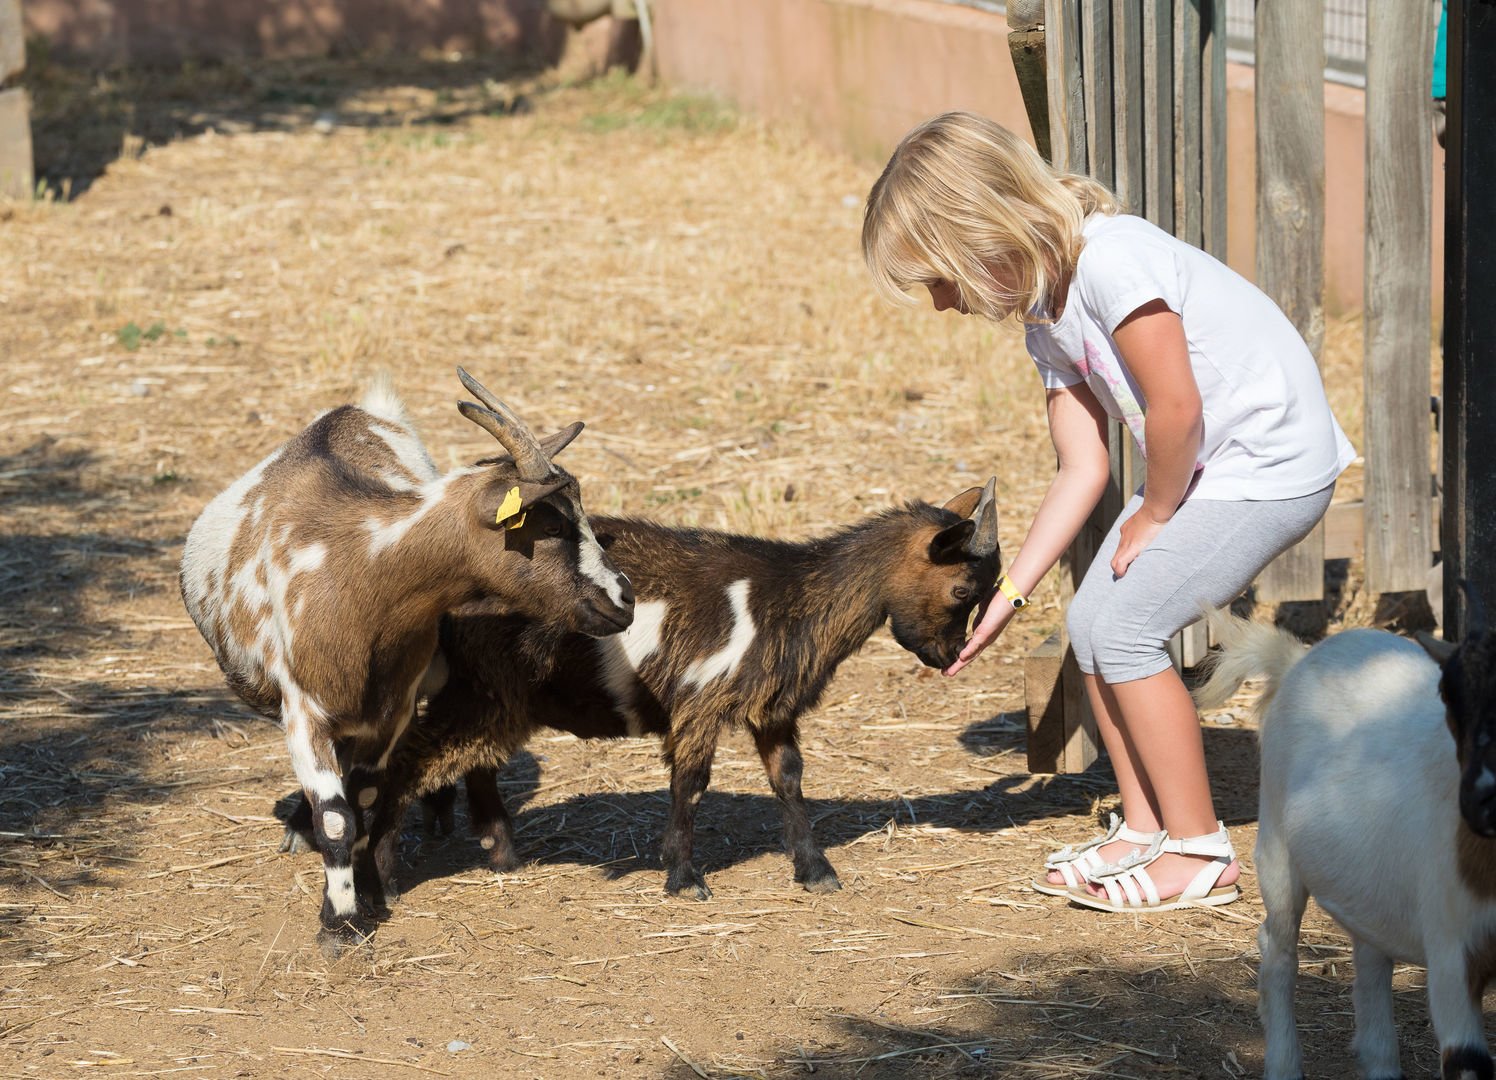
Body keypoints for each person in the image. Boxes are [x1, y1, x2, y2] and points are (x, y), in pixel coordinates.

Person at [861, 112, 1355, 912]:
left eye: (938, 279)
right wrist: (1007, 600)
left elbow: (1176, 408)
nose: (942, 304)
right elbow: (1081, 467)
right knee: (1094, 621)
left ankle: (1200, 852)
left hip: (1268, 462)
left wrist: (1157, 513)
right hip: (1208, 468)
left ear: (981, 230)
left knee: (1127, 631)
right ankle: (1144, 829)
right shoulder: (1043, 311)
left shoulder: (1112, 261)